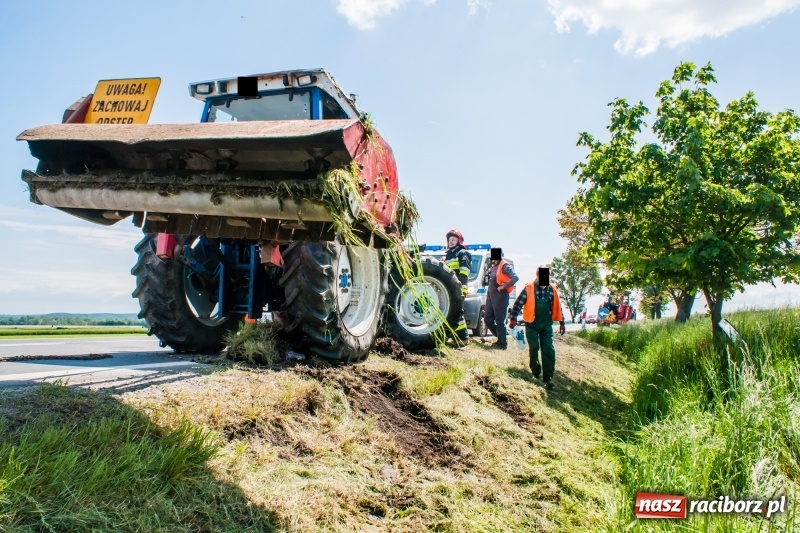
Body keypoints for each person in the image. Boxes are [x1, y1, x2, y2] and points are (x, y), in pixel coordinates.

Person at [508, 266, 565, 389]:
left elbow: (558, 307)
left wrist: (562, 323)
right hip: (531, 324)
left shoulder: (552, 289)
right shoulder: (529, 288)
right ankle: (535, 372)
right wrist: (513, 319)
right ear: (537, 276)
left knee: (548, 350)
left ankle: (548, 378)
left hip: (546, 325)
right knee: (534, 348)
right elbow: (518, 304)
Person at [484, 247, 518, 349]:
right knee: (487, 319)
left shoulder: (504, 265)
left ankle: (502, 343)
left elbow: (515, 277)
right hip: (491, 297)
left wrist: (504, 287)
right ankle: (501, 337)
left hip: (501, 296)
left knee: (500, 321)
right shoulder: (493, 266)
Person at [443, 229, 471, 343]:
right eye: (449, 240)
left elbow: (464, 271)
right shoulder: (449, 255)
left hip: (459, 287)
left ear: (459, 241)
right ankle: (456, 338)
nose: (451, 241)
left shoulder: (462, 253)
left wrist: (460, 287)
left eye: (453, 240)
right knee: (452, 312)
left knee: (457, 311)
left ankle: (464, 338)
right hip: (450, 288)